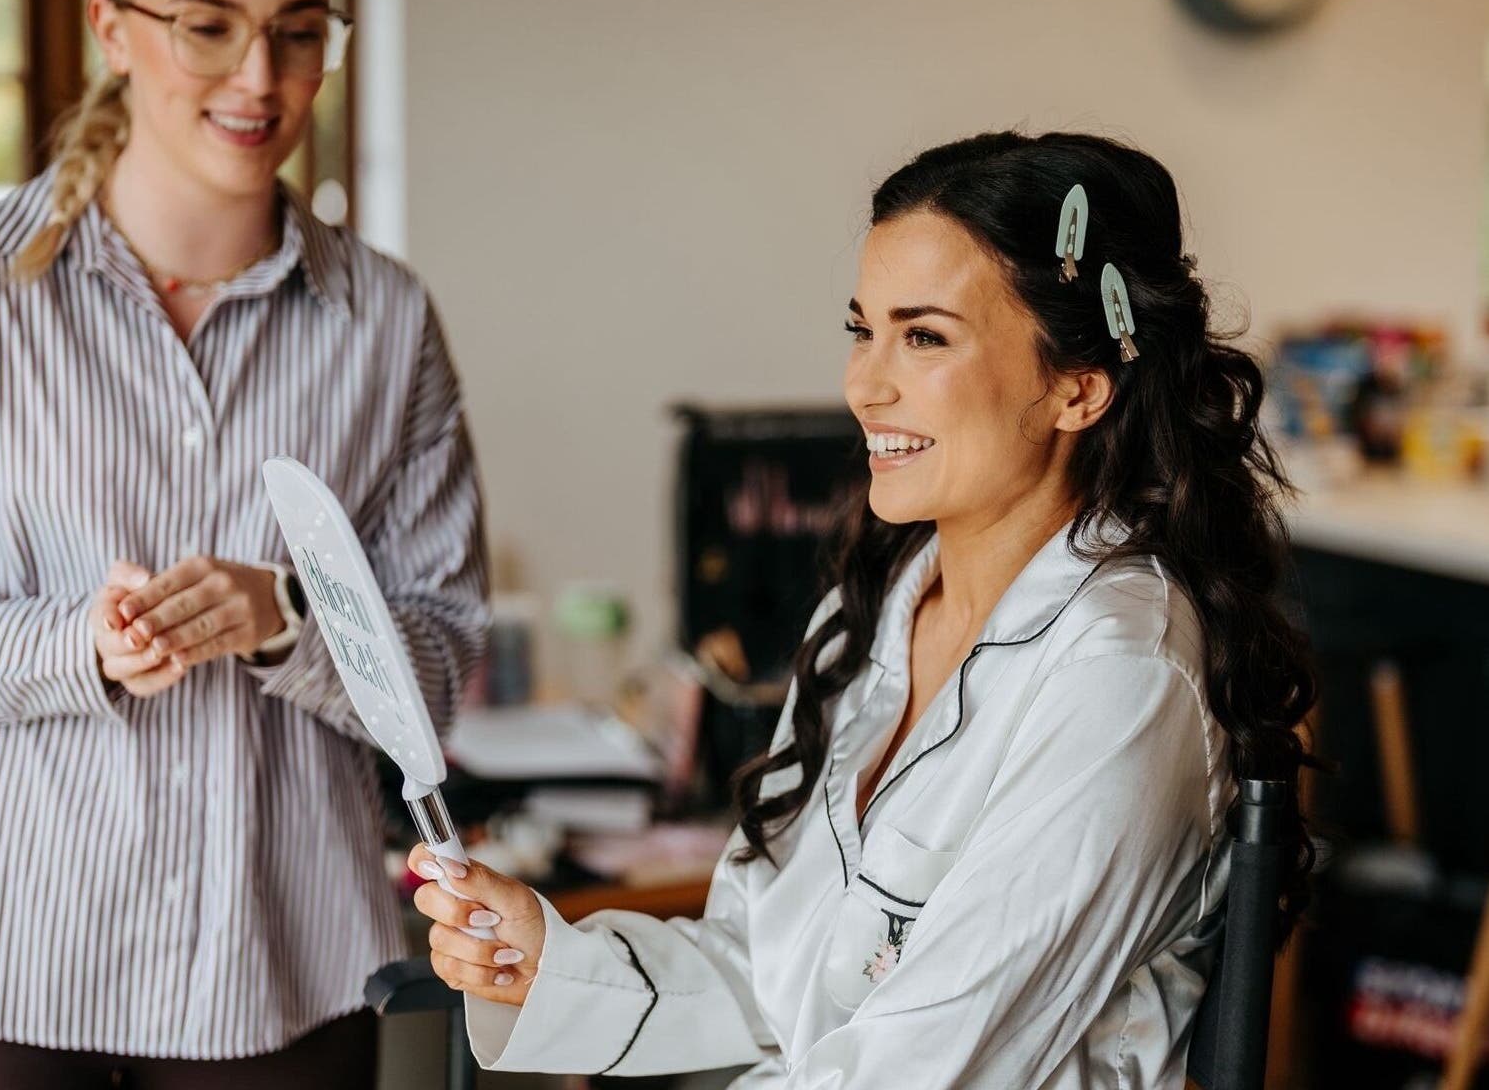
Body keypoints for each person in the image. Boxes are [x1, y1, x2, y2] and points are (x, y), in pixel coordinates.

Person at [413, 131, 1315, 1089]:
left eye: (922, 337)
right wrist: (550, 962)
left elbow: (922, 1067)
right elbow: (775, 970)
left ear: (1076, 387)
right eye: (862, 329)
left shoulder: (1119, 675)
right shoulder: (878, 605)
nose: (862, 384)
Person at [0, 0, 487, 1086]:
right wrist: (73, 645)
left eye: (299, 31)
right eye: (207, 25)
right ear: (114, 30)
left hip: (278, 973)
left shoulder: (388, 325)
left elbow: (444, 664)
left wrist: (295, 615)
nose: (260, 78)